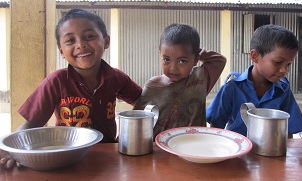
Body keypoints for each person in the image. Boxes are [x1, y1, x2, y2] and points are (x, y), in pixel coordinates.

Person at [0, 9, 142, 169]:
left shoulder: (116, 77)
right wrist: (11, 150)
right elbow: (30, 125)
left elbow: (143, 102)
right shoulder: (56, 81)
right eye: (70, 40)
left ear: (106, 41)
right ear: (61, 51)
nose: (81, 44)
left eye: (90, 36)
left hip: (108, 157)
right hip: (66, 158)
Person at [206, 24, 302, 137]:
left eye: (289, 64)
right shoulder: (232, 88)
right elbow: (215, 128)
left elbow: (288, 131)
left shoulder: (283, 90)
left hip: (271, 151)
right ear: (255, 56)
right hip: (237, 151)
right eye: (278, 62)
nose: (285, 70)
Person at [133, 23, 226, 138]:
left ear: (196, 60)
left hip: (194, 146)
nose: (173, 68)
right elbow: (136, 120)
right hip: (161, 149)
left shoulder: (199, 79)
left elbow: (219, 60)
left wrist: (199, 52)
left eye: (182, 61)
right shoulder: (153, 86)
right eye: (166, 59)